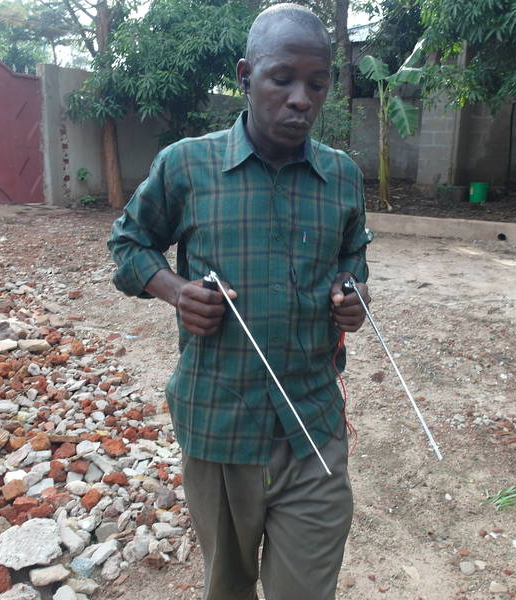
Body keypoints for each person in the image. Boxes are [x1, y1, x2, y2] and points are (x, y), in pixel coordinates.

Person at [108, 4, 370, 598]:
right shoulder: (187, 166)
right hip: (219, 427)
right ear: (245, 74)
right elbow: (128, 244)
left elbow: (354, 257)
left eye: (317, 83)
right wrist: (176, 292)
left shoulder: (342, 176)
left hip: (314, 427)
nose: (301, 98)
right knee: (227, 585)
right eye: (283, 78)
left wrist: (352, 295)